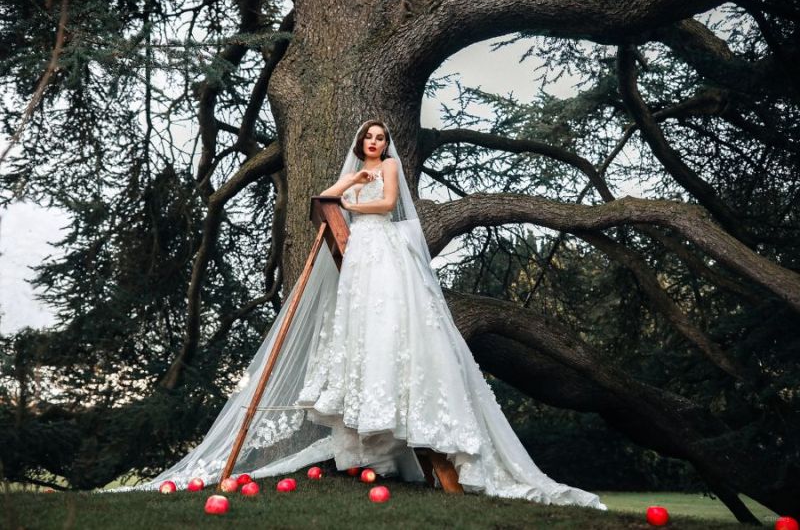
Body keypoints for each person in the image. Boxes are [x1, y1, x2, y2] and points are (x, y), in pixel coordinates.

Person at [112, 120, 606, 510]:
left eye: (380, 138)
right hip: (361, 255)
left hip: (382, 247)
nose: (375, 143)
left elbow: (387, 203)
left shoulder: (389, 167)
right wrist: (351, 180)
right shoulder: (361, 167)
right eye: (369, 138)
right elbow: (331, 197)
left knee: (393, 318)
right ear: (360, 142)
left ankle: (441, 459)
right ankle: (381, 445)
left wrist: (360, 195)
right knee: (363, 325)